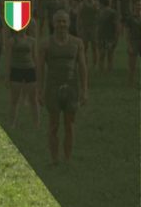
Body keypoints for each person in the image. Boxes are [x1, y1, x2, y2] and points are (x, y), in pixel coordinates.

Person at [37, 10, 87, 165]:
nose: (61, 25)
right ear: (53, 23)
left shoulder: (77, 43)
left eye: (64, 21)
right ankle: (55, 159)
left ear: (69, 23)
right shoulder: (45, 43)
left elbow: (83, 67)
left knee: (69, 125)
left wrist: (85, 90)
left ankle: (67, 158)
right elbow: (40, 68)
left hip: (72, 87)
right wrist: (39, 91)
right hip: (52, 87)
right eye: (58, 21)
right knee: (53, 124)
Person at [6, 27, 40, 128]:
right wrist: (8, 76)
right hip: (16, 70)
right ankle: (12, 124)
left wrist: (38, 74)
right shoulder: (12, 41)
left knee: (33, 99)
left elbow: (35, 57)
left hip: (30, 70)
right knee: (14, 100)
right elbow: (8, 59)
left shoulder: (32, 40)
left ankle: (36, 124)